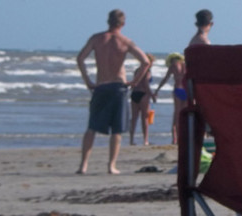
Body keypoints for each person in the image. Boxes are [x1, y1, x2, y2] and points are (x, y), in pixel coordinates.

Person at [77, 9, 150, 175]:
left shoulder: (97, 38)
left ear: (108, 21)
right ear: (122, 24)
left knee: (92, 127)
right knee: (117, 129)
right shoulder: (125, 41)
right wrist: (135, 81)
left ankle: (84, 165)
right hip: (118, 87)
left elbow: (80, 58)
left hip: (101, 85)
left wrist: (88, 80)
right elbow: (145, 62)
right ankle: (111, 165)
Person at [153, 53, 186, 145]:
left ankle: (175, 138)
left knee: (177, 114)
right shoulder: (186, 65)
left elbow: (165, 79)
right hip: (187, 90)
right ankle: (183, 137)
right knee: (185, 114)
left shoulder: (173, 66)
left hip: (178, 90)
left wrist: (157, 90)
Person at [129, 53, 156, 146]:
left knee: (134, 118)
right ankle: (145, 140)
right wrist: (152, 95)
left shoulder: (137, 70)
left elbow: (135, 82)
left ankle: (131, 139)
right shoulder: (147, 71)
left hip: (134, 93)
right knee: (144, 118)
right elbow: (146, 84)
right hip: (143, 94)